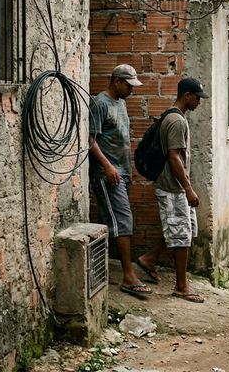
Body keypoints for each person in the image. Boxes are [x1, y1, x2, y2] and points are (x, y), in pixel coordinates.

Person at [142, 77, 209, 303]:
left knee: (184, 231)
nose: (199, 102)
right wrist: (188, 189)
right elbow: (173, 157)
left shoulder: (173, 117)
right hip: (173, 188)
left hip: (175, 187)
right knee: (181, 236)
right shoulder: (177, 121)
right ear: (187, 95)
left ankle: (149, 258)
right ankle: (181, 286)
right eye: (197, 97)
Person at [89, 64, 152, 297]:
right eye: (128, 85)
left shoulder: (121, 103)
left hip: (121, 173)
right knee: (123, 220)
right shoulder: (99, 104)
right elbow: (90, 140)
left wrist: (127, 170)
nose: (131, 90)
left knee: (107, 221)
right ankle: (128, 276)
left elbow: (122, 139)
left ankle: (99, 269)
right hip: (107, 175)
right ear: (116, 81)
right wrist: (108, 167)